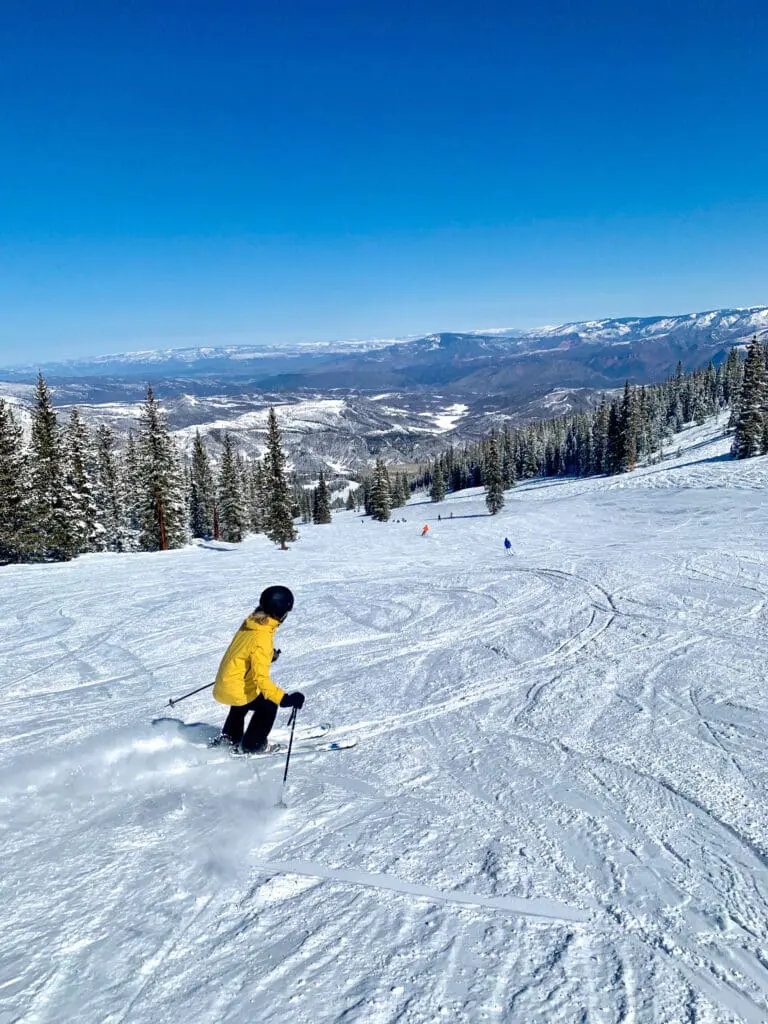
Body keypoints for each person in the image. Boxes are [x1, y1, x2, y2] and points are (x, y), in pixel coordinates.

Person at [212, 585, 305, 754]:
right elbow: (261, 679)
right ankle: (253, 746)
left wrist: (269, 655)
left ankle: (230, 737)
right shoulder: (262, 639)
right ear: (280, 613)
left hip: (226, 682)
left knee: (245, 697)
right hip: (235, 687)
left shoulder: (252, 622)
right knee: (268, 704)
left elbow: (248, 649)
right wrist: (285, 699)